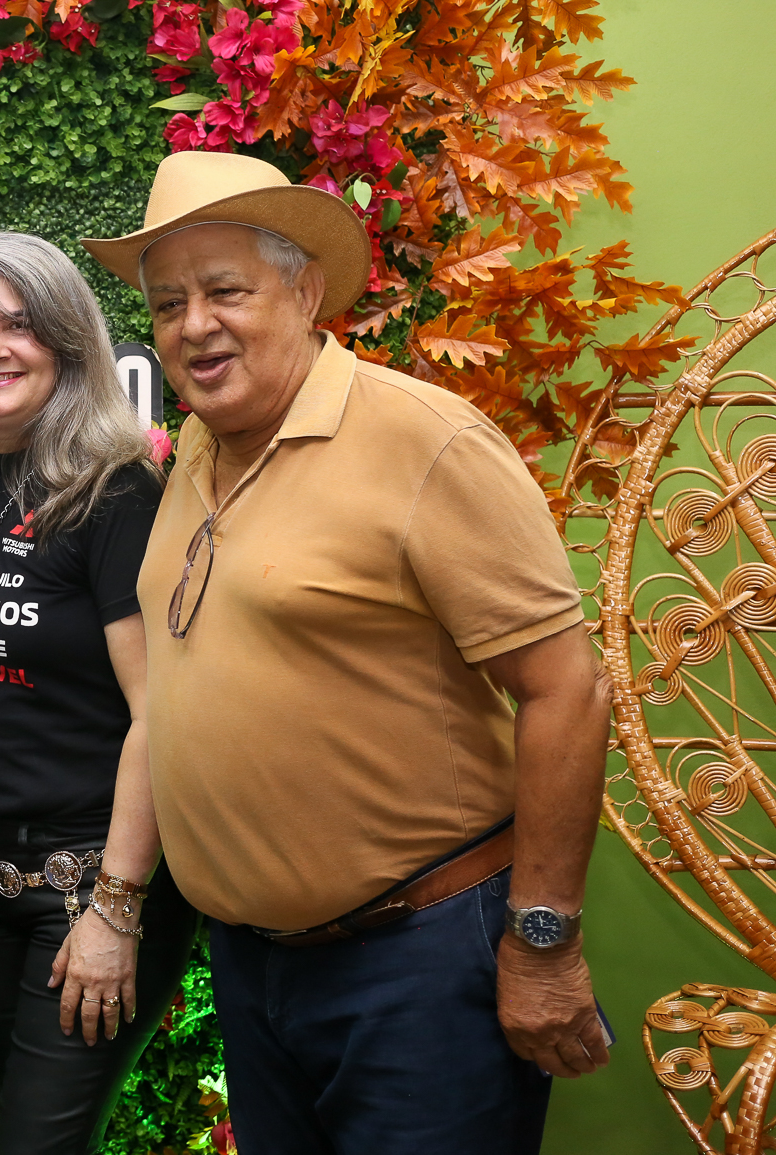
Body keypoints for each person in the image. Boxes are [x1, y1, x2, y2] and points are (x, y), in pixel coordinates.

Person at [81, 152, 613, 1154]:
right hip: (255, 971)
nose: (194, 325)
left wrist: (543, 939)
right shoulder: (197, 449)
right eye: (167, 304)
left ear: (304, 290)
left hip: (418, 966)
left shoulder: (422, 439)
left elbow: (566, 692)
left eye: (225, 290)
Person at [0, 230, 199, 1154]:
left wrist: (116, 907)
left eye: (20, 325)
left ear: (68, 341)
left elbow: (160, 715)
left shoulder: (115, 491)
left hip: (91, 886)